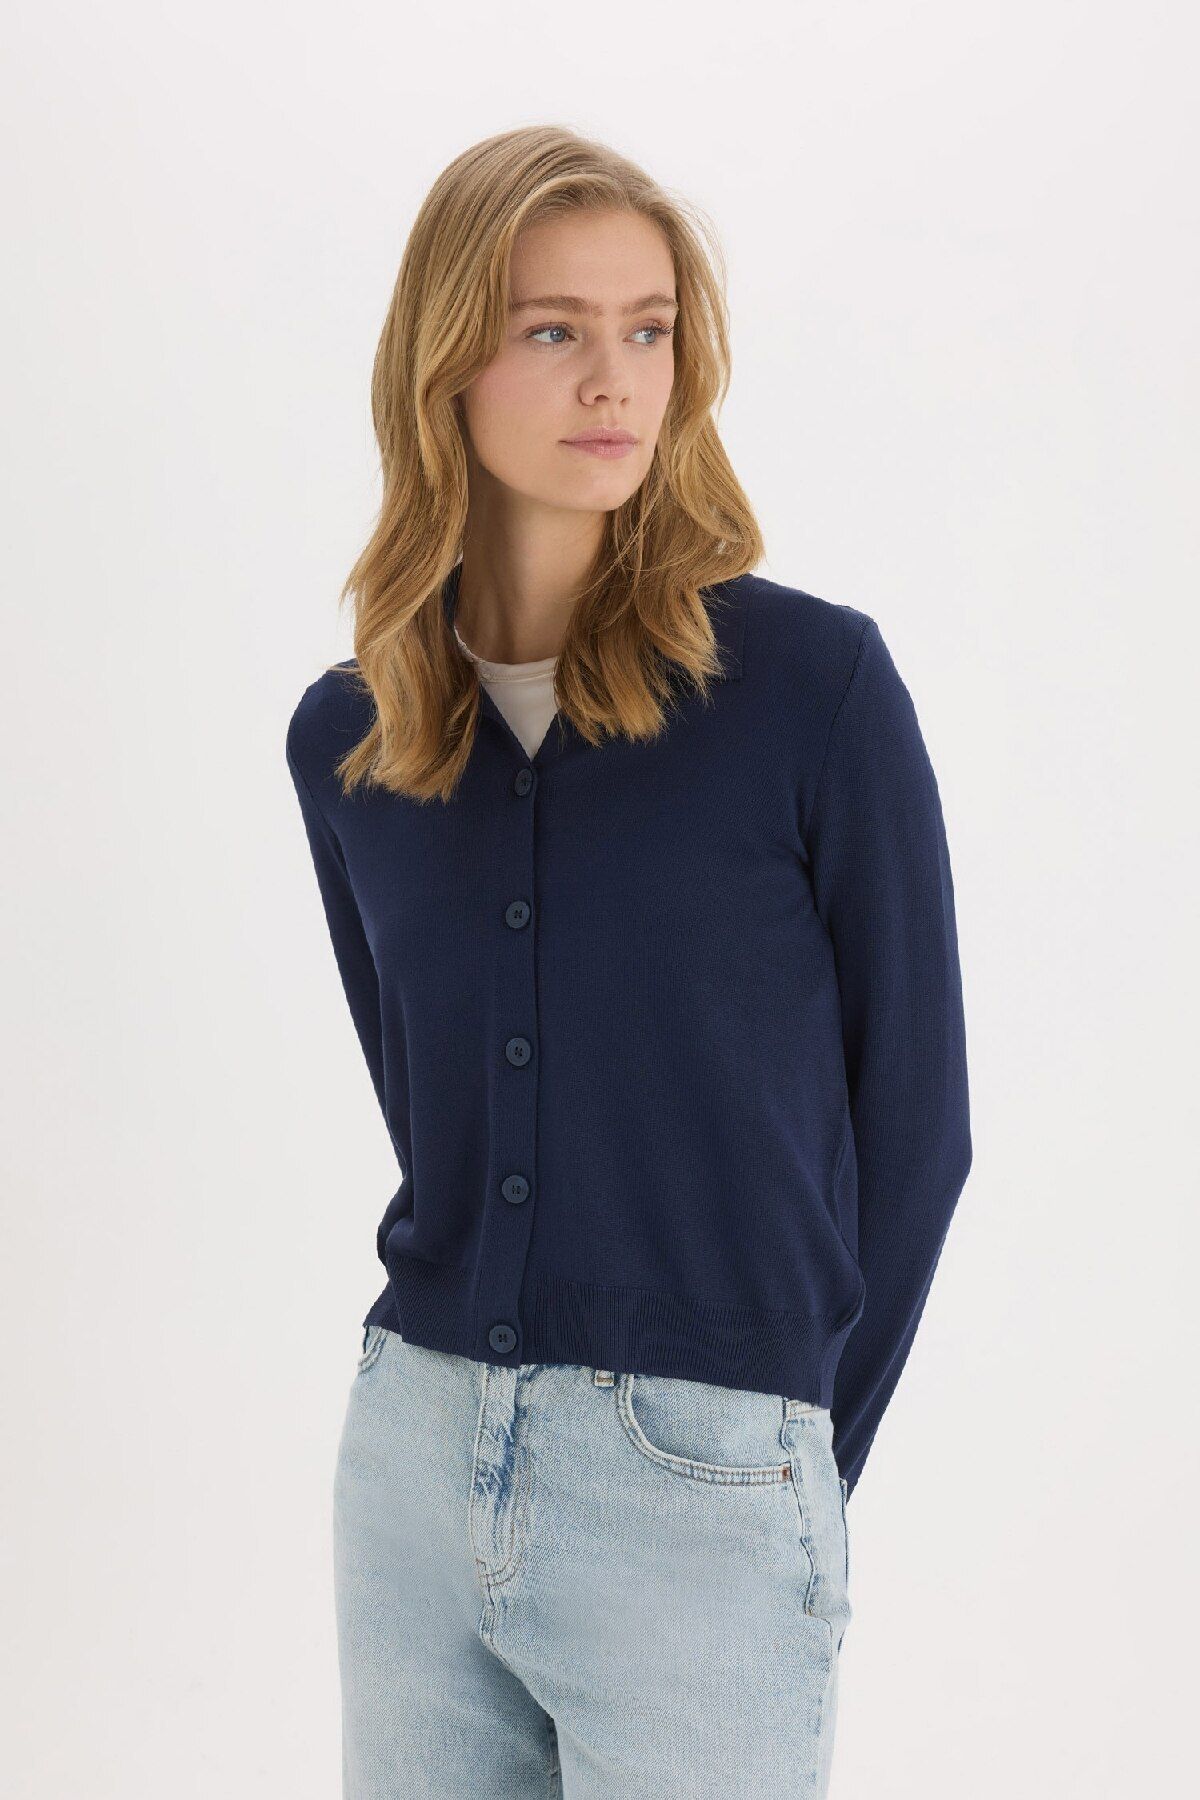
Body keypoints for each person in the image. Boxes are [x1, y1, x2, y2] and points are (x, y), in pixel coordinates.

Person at [285, 124, 972, 1800]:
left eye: (648, 328)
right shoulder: (352, 739)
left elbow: (918, 1131)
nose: (615, 379)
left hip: (709, 1483)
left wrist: (784, 1458)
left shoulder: (810, 692)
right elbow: (430, 1111)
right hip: (414, 1462)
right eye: (555, 328)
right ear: (445, 362)